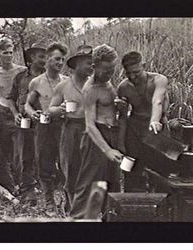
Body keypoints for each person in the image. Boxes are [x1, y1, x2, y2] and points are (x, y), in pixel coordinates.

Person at [70, 44, 123, 219]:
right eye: (106, 70)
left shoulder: (107, 81)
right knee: (90, 184)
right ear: (94, 67)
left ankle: (109, 220)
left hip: (111, 135)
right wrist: (106, 149)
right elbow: (90, 125)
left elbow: (108, 107)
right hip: (96, 139)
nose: (110, 73)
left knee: (111, 184)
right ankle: (79, 219)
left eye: (112, 69)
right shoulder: (91, 89)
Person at [49, 45, 93, 212]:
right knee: (71, 167)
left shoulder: (98, 84)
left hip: (93, 130)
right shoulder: (63, 86)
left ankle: (91, 207)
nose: (92, 67)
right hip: (71, 130)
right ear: (78, 64)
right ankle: (72, 207)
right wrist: (59, 110)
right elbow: (51, 109)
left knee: (91, 169)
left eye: (93, 64)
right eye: (89, 63)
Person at [25, 42, 68, 213]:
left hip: (64, 127)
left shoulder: (67, 81)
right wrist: (32, 113)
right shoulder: (37, 82)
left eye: (63, 60)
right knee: (44, 164)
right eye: (57, 59)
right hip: (44, 127)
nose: (60, 62)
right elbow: (27, 104)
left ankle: (68, 201)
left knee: (66, 164)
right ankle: (49, 201)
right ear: (48, 59)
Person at [117, 51, 169, 192]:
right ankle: (131, 203)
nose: (133, 77)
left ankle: (162, 206)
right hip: (134, 130)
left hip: (157, 128)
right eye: (129, 73)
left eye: (136, 72)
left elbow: (157, 101)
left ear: (144, 66)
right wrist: (121, 143)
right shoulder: (123, 87)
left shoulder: (159, 80)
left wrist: (154, 121)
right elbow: (122, 117)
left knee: (160, 171)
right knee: (130, 169)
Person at [6, 43, 46, 204]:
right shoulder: (20, 78)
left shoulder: (51, 76)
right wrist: (15, 113)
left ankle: (49, 188)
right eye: (41, 56)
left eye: (46, 56)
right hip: (25, 122)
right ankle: (28, 191)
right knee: (26, 156)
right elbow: (10, 99)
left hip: (46, 123)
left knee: (46, 155)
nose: (45, 59)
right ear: (31, 58)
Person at [0, 38, 27, 194]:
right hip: (1, 113)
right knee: (2, 153)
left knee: (21, 151)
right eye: (5, 52)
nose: (9, 56)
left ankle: (23, 184)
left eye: (11, 52)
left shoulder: (22, 71)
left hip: (19, 114)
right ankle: (11, 187)